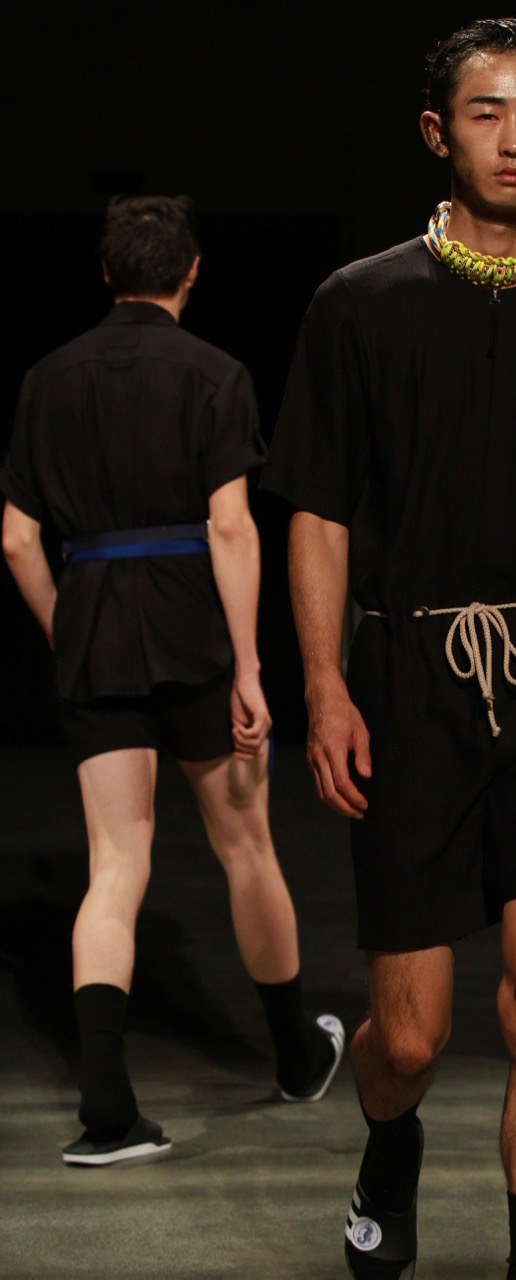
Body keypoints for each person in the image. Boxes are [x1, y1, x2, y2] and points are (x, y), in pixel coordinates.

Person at [262, 19, 516, 1280]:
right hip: (408, 677)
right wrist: (325, 684)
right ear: (438, 131)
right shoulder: (360, 302)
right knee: (411, 1035)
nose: (513, 138)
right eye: (488, 112)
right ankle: (389, 1143)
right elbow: (317, 508)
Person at [0, 196, 344, 1167]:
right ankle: (295, 1058)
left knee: (116, 866)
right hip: (194, 627)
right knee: (246, 846)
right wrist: (249, 665)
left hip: (97, 628)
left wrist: (69, 629)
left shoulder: (46, 377)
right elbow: (231, 525)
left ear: (107, 275)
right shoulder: (215, 372)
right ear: (191, 273)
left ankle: (107, 1113)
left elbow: (17, 538)